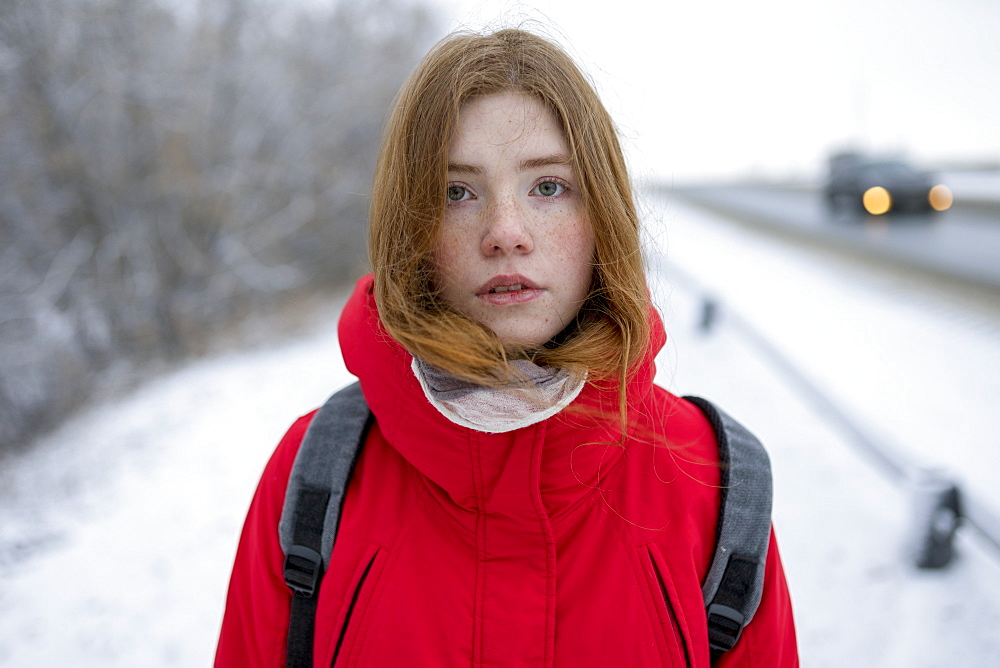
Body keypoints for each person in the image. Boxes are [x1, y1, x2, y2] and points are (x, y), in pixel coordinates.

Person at [215, 28, 798, 667]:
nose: (505, 234)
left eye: (547, 187)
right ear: (411, 226)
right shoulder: (315, 478)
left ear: (603, 212)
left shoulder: (710, 482)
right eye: (455, 192)